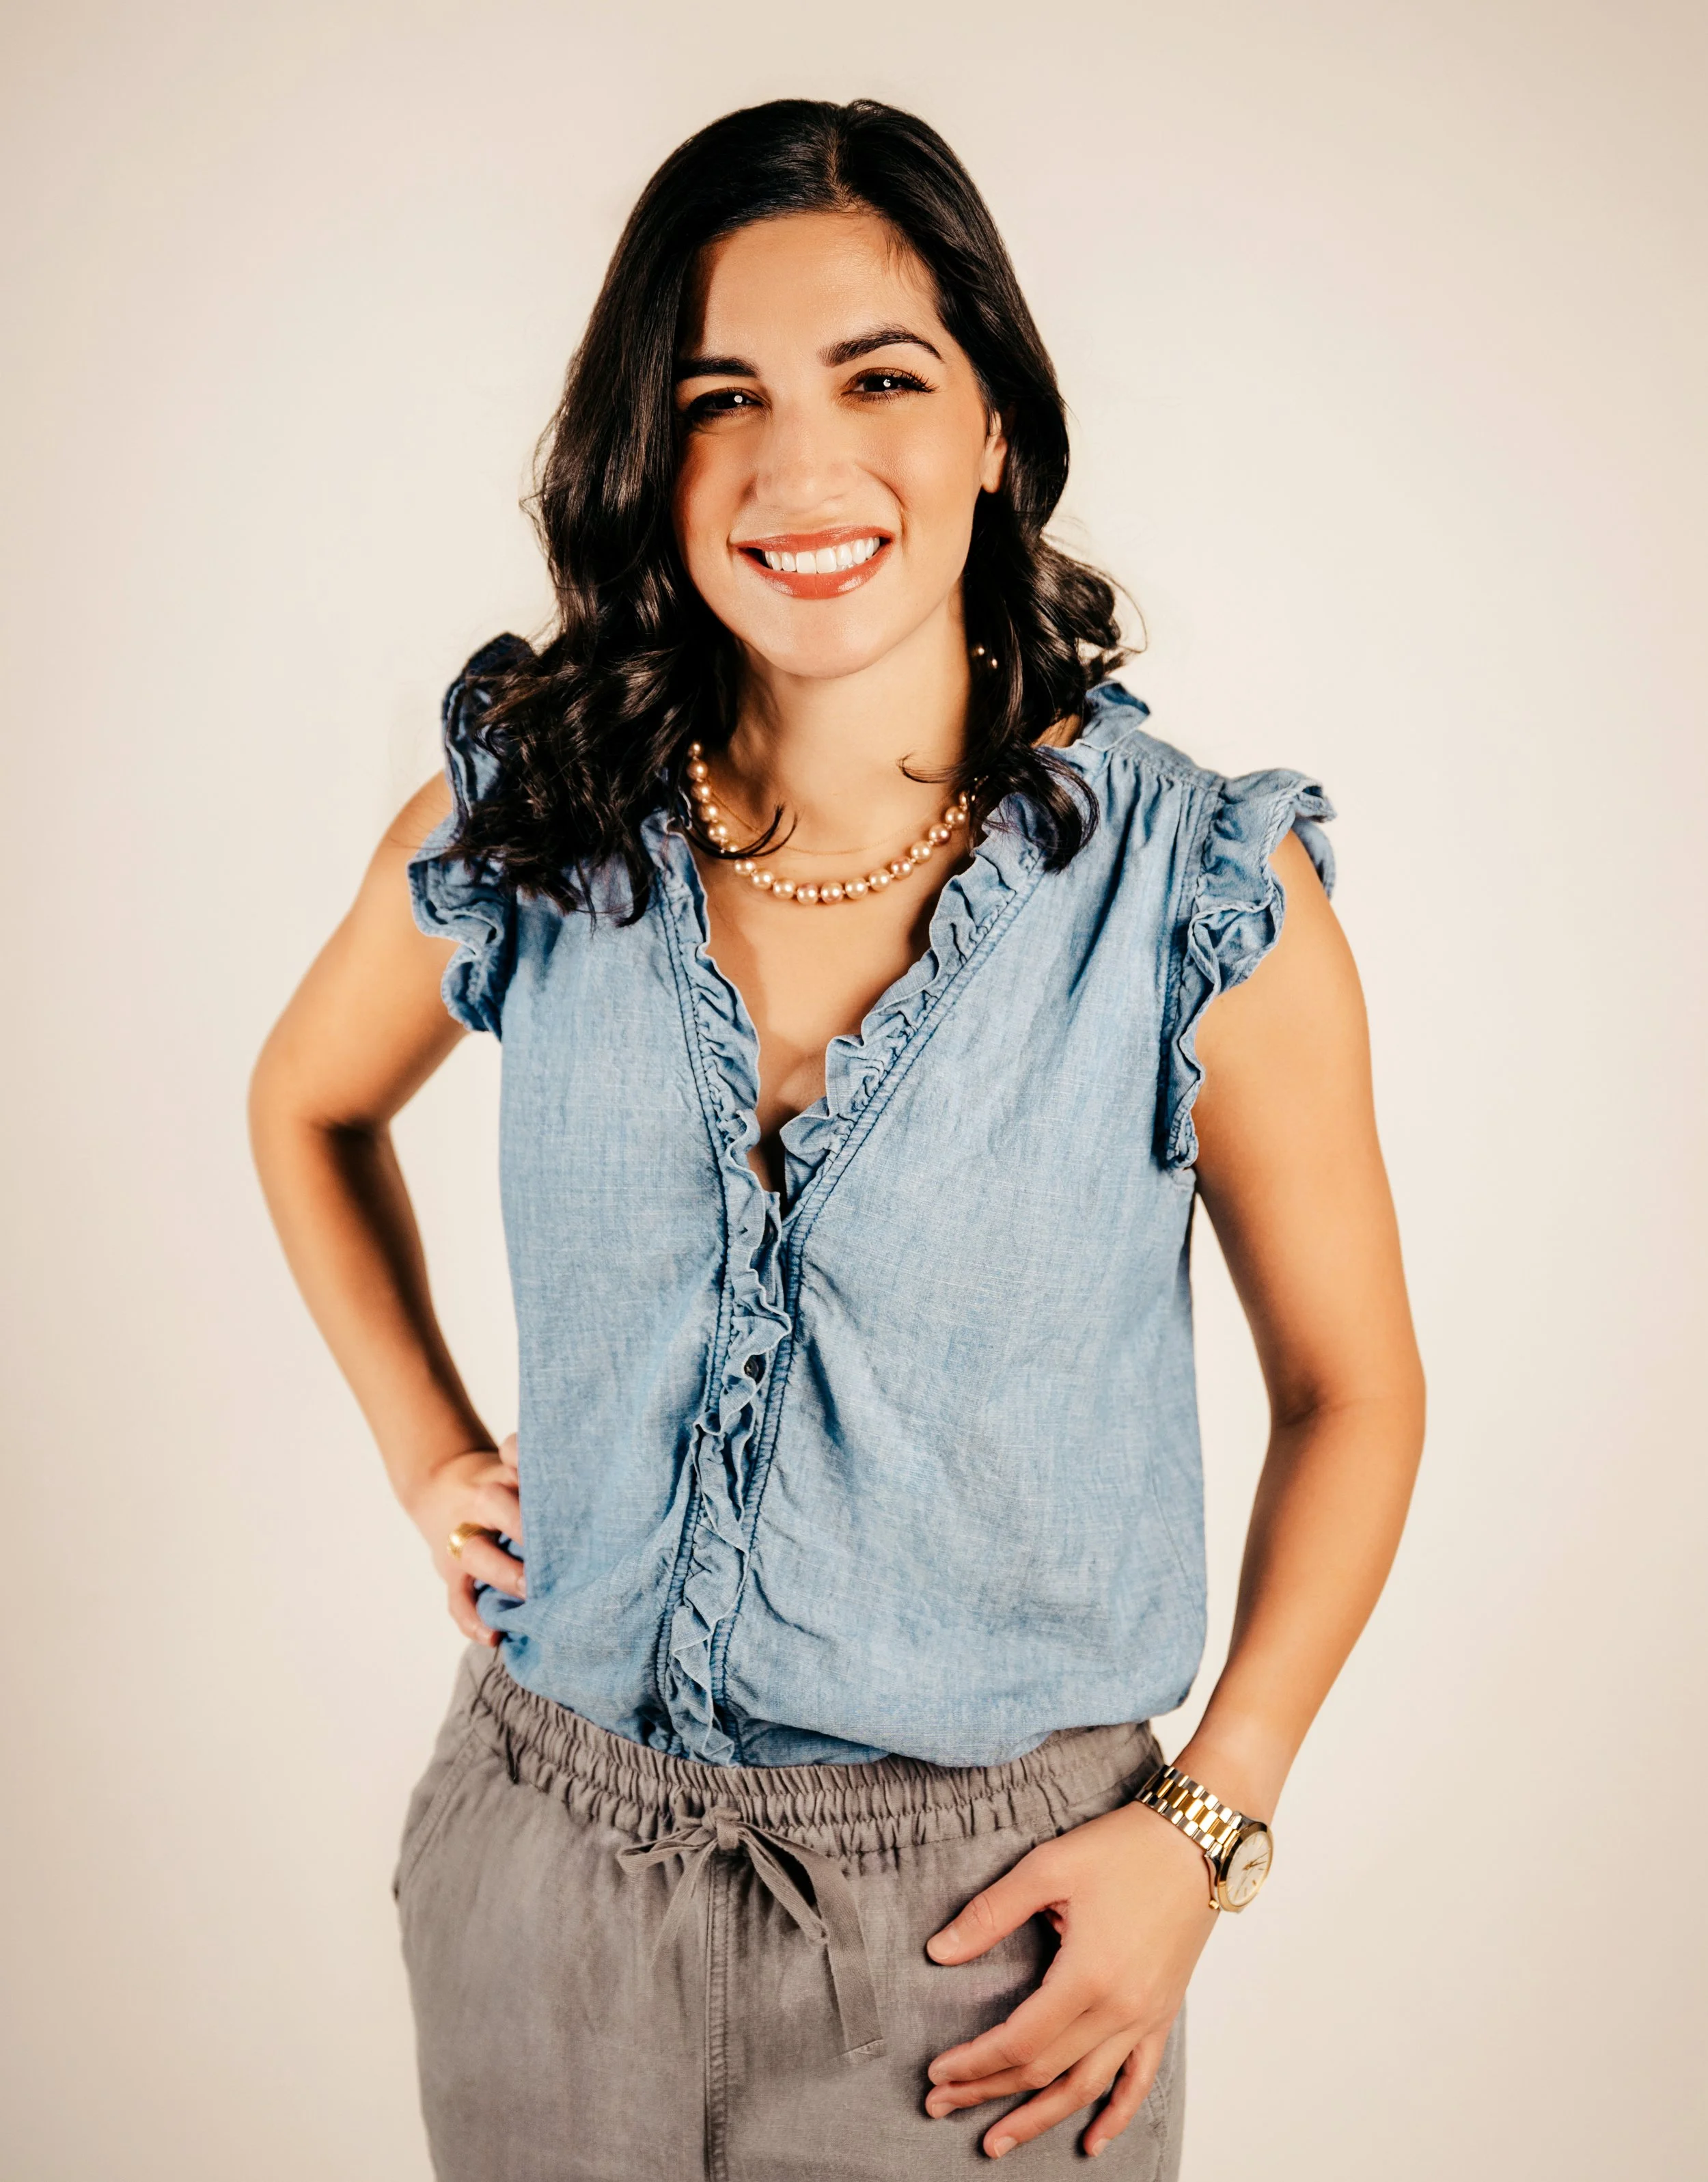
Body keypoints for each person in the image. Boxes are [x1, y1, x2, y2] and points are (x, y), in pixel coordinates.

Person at [249, 96, 1424, 2180]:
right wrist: (425, 1448)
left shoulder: (1194, 896)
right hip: (544, 1896)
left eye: (880, 378)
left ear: (996, 429)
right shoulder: (530, 816)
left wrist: (1206, 1825)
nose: (800, 472)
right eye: (720, 400)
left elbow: (1352, 1394)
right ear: (646, 454)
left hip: (995, 1944)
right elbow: (309, 1101)